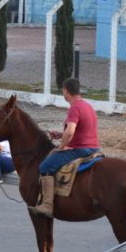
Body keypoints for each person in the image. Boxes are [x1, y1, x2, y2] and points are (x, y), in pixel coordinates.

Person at [28, 78, 99, 218]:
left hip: (81, 149)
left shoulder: (74, 107)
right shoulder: (87, 105)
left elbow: (71, 131)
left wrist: (61, 147)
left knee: (45, 166)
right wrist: (61, 134)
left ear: (66, 91)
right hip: (94, 148)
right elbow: (80, 130)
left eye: (63, 90)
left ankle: (47, 205)